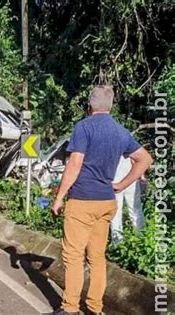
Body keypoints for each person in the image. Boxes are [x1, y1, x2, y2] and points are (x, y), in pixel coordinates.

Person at [51, 85, 153, 315]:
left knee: (74, 256)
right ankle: (95, 309)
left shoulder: (83, 127)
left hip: (83, 200)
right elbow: (145, 159)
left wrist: (59, 197)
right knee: (97, 257)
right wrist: (121, 184)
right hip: (107, 202)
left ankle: (70, 308)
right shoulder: (120, 131)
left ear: (89, 105)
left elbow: (75, 164)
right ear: (111, 105)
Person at [111, 156, 146, 244]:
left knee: (116, 212)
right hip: (131, 180)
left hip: (115, 181)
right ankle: (141, 238)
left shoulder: (107, 145)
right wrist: (142, 176)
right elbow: (137, 159)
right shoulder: (128, 143)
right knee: (135, 210)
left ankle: (117, 241)